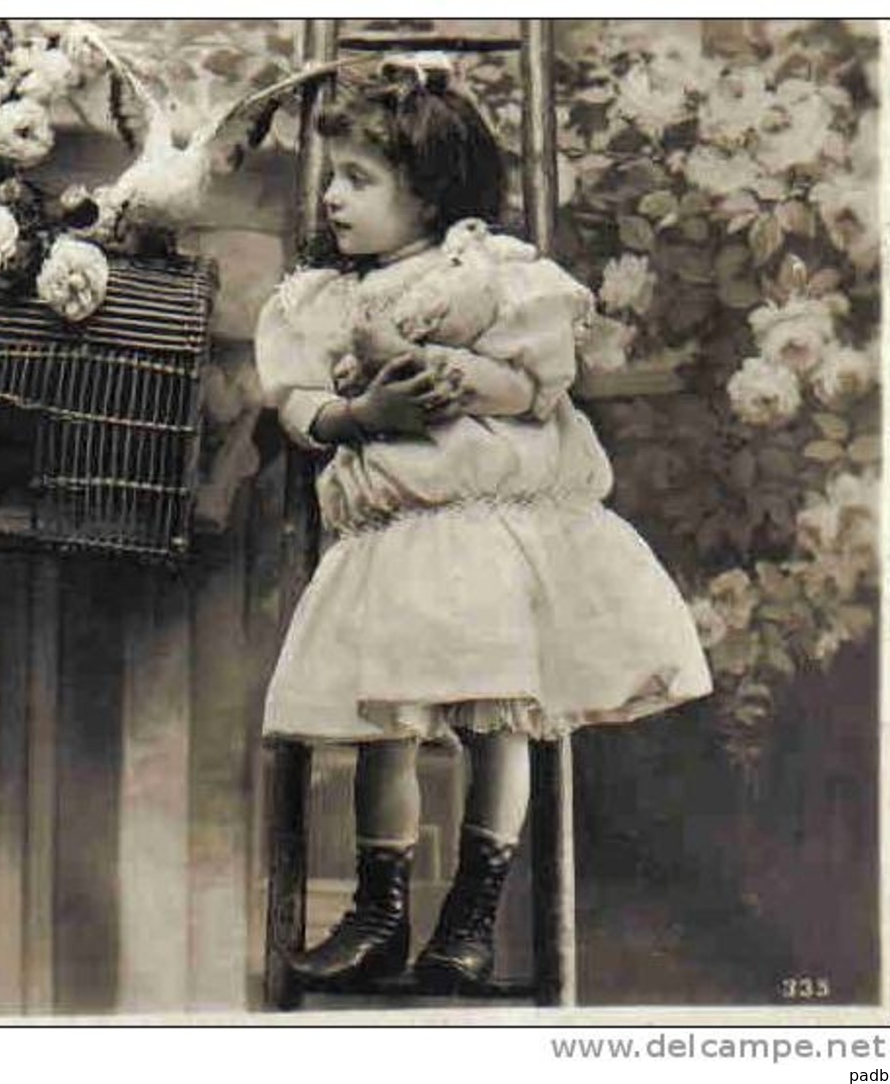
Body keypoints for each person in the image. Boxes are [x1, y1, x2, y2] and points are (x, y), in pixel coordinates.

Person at [255, 55, 711, 995]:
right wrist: (359, 418)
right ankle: (379, 910)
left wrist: (458, 377)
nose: (333, 198)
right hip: (389, 541)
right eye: (331, 176)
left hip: (485, 533)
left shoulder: (490, 275)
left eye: (358, 179)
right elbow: (294, 406)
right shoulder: (321, 298)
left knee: (497, 721)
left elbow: (538, 388)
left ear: (426, 194)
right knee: (381, 727)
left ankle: (470, 909)